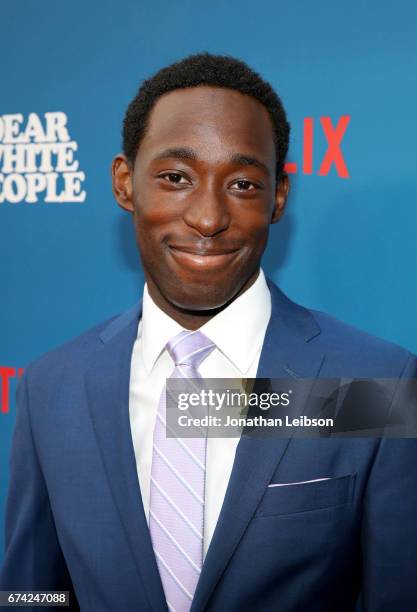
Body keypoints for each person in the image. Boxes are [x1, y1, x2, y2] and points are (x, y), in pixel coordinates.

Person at [1, 52, 416, 612]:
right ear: (125, 184)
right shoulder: (55, 386)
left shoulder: (375, 384)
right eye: (175, 178)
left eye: (243, 184)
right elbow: (31, 591)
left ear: (278, 198)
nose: (207, 217)